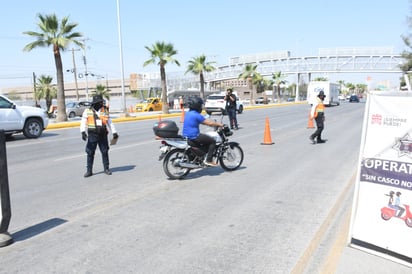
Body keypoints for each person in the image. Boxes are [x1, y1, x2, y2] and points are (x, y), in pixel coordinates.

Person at [80, 95, 118, 177]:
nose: (102, 103)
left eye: (102, 102)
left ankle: (106, 168)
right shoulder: (87, 111)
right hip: (92, 135)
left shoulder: (105, 110)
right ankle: (89, 171)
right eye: (100, 102)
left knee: (104, 151)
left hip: (103, 134)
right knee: (90, 152)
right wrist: (82, 132)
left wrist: (114, 132)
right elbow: (83, 122)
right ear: (95, 103)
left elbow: (109, 122)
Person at [182, 97, 224, 167]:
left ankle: (200, 157)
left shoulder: (188, 113)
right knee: (212, 141)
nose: (201, 107)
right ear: (197, 105)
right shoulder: (196, 115)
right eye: (200, 105)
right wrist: (220, 124)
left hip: (186, 136)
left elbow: (203, 122)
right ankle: (209, 160)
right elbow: (209, 123)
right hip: (194, 136)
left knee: (204, 140)